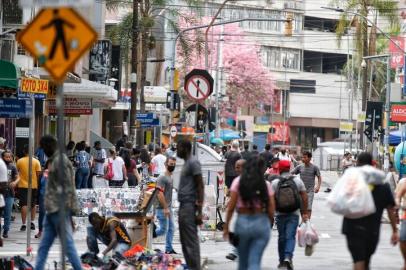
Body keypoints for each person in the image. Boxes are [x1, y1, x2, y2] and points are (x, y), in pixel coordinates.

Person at [342, 152, 398, 270]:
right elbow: (390, 210)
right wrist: (394, 230)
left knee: (358, 260)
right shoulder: (383, 186)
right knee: (365, 261)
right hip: (372, 230)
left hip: (351, 228)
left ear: (357, 164)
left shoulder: (351, 182)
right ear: (372, 164)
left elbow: (340, 201)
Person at [35, 135, 82, 270]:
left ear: (48, 146)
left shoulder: (60, 161)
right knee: (44, 247)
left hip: (59, 210)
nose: (42, 151)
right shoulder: (54, 160)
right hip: (51, 210)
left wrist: (69, 212)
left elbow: (68, 187)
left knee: (68, 245)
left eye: (43, 148)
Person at [224, 156, 274, 270]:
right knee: (255, 261)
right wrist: (269, 222)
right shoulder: (266, 184)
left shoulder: (238, 182)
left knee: (242, 263)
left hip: (242, 223)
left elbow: (231, 207)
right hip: (261, 222)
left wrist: (226, 227)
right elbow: (271, 208)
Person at [272, 160, 309, 270]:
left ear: (280, 169)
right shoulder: (297, 181)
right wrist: (305, 212)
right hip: (294, 213)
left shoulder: (275, 182)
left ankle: (281, 260)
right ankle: (288, 257)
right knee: (290, 236)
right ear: (289, 168)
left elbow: (271, 200)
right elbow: (305, 197)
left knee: (281, 237)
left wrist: (272, 214)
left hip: (279, 214)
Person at [177, 139, 204, 270]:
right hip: (183, 206)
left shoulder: (193, 162)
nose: (177, 150)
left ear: (185, 148)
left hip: (189, 206)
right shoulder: (187, 163)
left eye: (178, 147)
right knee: (184, 241)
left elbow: (200, 186)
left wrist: (199, 211)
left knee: (191, 242)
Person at [154, 157, 177, 254]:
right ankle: (150, 234)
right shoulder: (162, 177)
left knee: (172, 228)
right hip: (162, 208)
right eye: (170, 164)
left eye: (173, 164)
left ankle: (168, 249)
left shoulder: (170, 177)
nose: (172, 166)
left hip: (168, 207)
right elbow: (159, 193)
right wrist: (165, 208)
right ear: (165, 164)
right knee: (163, 230)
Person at [16, 144, 41, 231]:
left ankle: (23, 224)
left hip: (22, 185)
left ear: (24, 151)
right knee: (33, 204)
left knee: (24, 204)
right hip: (33, 185)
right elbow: (38, 175)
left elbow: (16, 173)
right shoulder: (36, 161)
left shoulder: (19, 161)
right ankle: (32, 223)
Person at [225, 159, 246, 261]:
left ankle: (236, 252)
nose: (236, 169)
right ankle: (235, 252)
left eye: (238, 167)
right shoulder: (238, 180)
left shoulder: (239, 181)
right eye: (236, 167)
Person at [290, 151, 321, 219]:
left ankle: (307, 222)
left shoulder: (314, 167)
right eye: (302, 157)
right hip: (301, 191)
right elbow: (291, 173)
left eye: (304, 157)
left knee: (308, 208)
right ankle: (304, 220)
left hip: (310, 191)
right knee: (302, 208)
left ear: (310, 158)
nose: (302, 159)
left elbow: (319, 177)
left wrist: (318, 186)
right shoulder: (300, 167)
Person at [1, 150, 19, 239]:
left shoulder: (12, 167)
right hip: (1, 193)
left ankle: (6, 230)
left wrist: (15, 182)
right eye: (6, 157)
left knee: (8, 213)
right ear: (2, 157)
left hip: (9, 193)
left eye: (9, 157)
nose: (8, 158)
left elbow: (17, 177)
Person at [35, 160, 51, 239]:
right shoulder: (42, 174)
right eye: (50, 164)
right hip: (43, 195)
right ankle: (40, 231)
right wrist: (45, 175)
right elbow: (41, 184)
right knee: (42, 213)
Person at [396, 177, 406, 270]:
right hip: (405, 216)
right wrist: (398, 205)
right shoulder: (404, 182)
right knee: (403, 238)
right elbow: (398, 196)